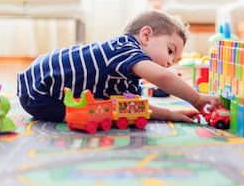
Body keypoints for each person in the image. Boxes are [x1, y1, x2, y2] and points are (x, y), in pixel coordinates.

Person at [17, 9, 222, 123]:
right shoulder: (124, 47)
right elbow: (161, 77)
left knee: (115, 108)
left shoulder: (128, 74)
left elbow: (132, 107)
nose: (169, 62)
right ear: (146, 35)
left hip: (45, 90)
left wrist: (169, 114)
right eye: (170, 51)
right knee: (99, 114)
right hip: (42, 93)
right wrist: (196, 98)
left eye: (174, 60)